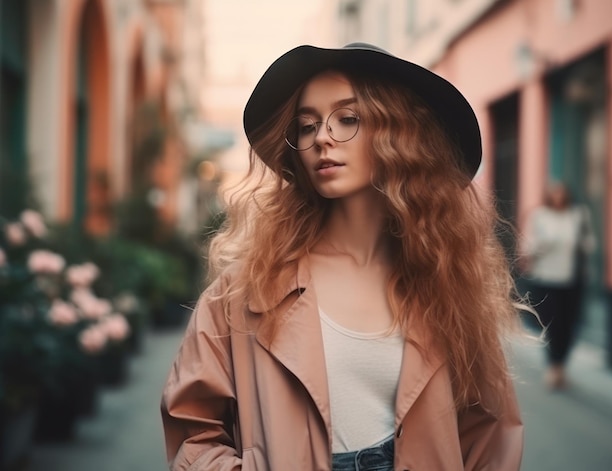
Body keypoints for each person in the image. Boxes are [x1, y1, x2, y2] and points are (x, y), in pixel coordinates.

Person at [161, 43, 525, 470]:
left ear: (398, 135)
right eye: (307, 125)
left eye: (347, 119)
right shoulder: (247, 289)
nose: (322, 138)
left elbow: (489, 436)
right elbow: (192, 428)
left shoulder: (448, 284)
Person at [521, 181, 595, 390]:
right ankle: (553, 366)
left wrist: (583, 245)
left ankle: (561, 364)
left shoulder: (578, 215)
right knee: (552, 324)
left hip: (572, 280)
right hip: (546, 280)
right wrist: (543, 243)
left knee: (569, 325)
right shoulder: (539, 216)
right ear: (549, 195)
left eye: (562, 192)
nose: (558, 196)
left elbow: (589, 243)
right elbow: (527, 247)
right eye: (554, 193)